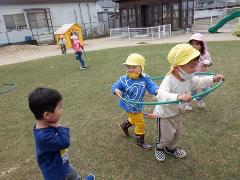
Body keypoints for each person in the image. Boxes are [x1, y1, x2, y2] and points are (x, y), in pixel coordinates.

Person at [153, 44, 224, 161]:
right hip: (164, 115)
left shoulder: (187, 78)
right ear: (177, 68)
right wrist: (178, 96)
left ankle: (170, 148)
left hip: (177, 113)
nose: (195, 69)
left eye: (196, 65)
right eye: (192, 66)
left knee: (176, 134)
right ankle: (160, 147)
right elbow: (161, 95)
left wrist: (213, 79)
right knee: (165, 136)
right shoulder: (169, 80)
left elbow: (198, 82)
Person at [28, 87, 95, 180]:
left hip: (62, 164)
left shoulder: (44, 125)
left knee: (73, 174)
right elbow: (65, 142)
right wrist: (59, 126)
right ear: (46, 115)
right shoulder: (44, 137)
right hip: (59, 174)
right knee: (72, 175)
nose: (61, 110)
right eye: (59, 108)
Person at [112, 53, 159, 150]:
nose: (130, 70)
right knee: (140, 123)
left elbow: (151, 85)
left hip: (137, 105)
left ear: (141, 68)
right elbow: (115, 85)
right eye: (128, 67)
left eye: (134, 67)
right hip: (129, 106)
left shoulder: (145, 78)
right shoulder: (123, 79)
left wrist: (156, 90)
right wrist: (116, 90)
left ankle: (124, 125)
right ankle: (140, 142)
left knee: (134, 119)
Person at [186, 33, 213, 110]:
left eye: (197, 44)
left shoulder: (205, 53)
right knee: (193, 91)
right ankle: (188, 103)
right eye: (192, 44)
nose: (194, 46)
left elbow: (210, 62)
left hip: (202, 75)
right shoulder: (189, 54)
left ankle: (198, 98)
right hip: (192, 76)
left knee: (207, 90)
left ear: (202, 45)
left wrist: (207, 63)